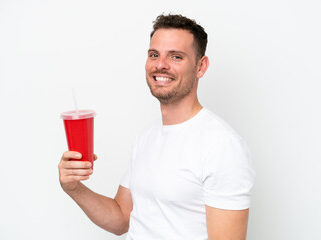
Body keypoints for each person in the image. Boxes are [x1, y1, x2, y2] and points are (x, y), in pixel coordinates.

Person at [58, 14, 255, 240]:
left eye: (176, 56)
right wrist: (74, 188)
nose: (160, 65)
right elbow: (123, 218)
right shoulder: (147, 137)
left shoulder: (221, 146)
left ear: (201, 67)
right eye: (154, 55)